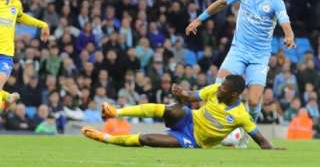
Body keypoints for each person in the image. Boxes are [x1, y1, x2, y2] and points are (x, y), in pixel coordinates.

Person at [185, 0, 295, 123]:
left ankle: (247, 131)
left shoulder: (276, 1)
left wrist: (289, 35)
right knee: (219, 89)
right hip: (239, 50)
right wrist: (199, 20)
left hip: (260, 56)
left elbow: (285, 22)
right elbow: (222, 3)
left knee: (253, 101)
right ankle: (210, 125)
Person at [82, 75, 284, 150]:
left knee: (147, 139)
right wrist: (182, 93)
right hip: (190, 118)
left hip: (193, 139)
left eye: (224, 89)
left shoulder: (240, 114)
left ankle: (105, 138)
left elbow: (262, 141)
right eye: (220, 86)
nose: (219, 89)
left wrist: (274, 150)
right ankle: (115, 112)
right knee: (174, 109)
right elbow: (192, 96)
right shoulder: (215, 89)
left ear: (234, 94)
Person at [0, 0, 49, 112]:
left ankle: (6, 98)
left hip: (5, 56)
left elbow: (22, 17)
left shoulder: (15, 3)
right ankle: (6, 98)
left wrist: (42, 24)